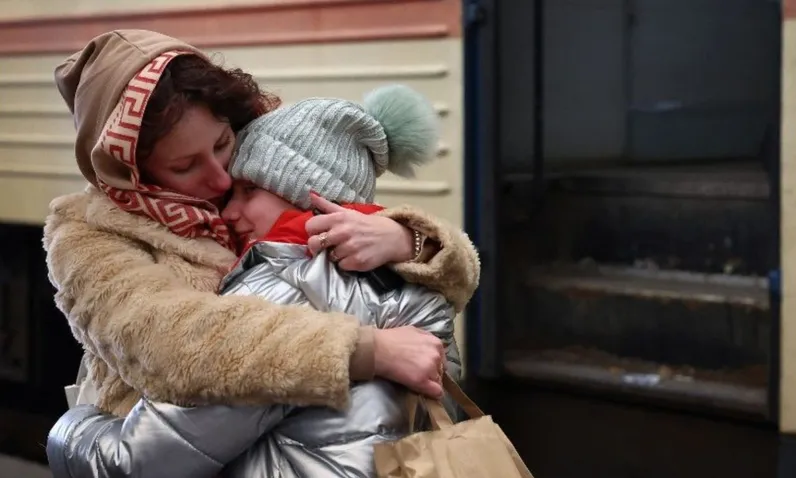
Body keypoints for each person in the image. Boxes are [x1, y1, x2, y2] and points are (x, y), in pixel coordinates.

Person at [44, 28, 479, 420]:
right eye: (184, 166)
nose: (220, 179)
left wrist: (406, 239)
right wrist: (363, 351)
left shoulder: (263, 158)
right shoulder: (87, 235)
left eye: (222, 143)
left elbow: (458, 280)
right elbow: (166, 344)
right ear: (133, 172)